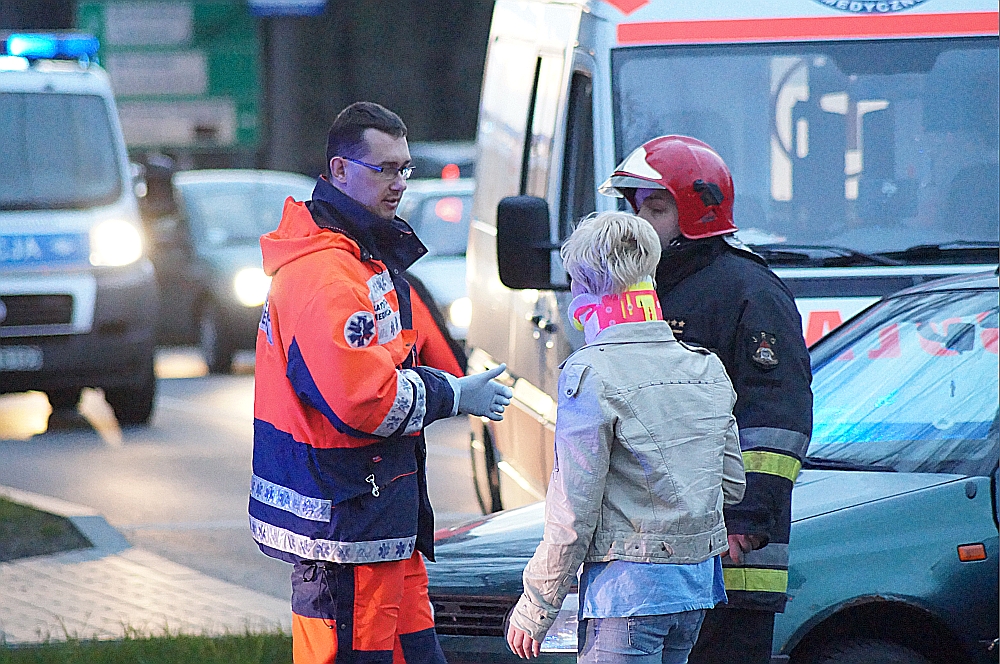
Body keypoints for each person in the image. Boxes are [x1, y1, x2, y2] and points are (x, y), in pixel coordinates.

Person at [249, 101, 513, 664]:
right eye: (385, 169)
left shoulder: (359, 258)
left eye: (405, 168)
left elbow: (393, 360)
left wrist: (448, 381)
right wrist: (453, 394)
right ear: (339, 171)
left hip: (377, 524)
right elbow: (363, 400)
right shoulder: (326, 273)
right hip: (347, 531)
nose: (399, 184)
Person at [599, 136, 814, 664]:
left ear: (696, 210)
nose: (639, 220)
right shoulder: (642, 288)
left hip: (731, 558)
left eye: (656, 207)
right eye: (634, 206)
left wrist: (743, 518)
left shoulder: (749, 291)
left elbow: (776, 420)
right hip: (655, 554)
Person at [506, 211, 746, 662]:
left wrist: (536, 606)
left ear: (586, 285)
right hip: (696, 586)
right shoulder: (706, 367)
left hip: (628, 593)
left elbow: (573, 513)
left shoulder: (592, 373)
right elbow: (732, 484)